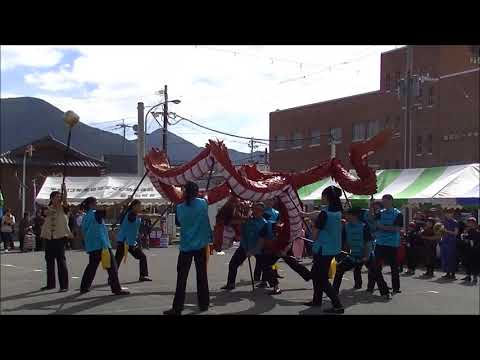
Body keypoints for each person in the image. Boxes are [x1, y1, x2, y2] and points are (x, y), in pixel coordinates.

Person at [164, 182, 213, 315]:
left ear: (185, 192)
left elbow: (179, 223)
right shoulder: (203, 203)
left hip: (186, 246)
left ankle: (177, 308)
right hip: (201, 245)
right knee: (202, 276)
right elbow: (206, 201)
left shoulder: (179, 208)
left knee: (181, 278)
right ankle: (204, 304)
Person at [221, 202, 280, 294]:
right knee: (233, 264)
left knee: (267, 267)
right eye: (255, 209)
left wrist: (252, 251)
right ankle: (230, 283)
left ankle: (275, 286)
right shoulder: (247, 220)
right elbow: (234, 223)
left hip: (258, 249)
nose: (256, 211)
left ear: (262, 212)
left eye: (259, 210)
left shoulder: (265, 224)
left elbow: (262, 242)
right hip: (244, 246)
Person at [303, 186, 344, 313]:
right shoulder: (337, 212)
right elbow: (318, 214)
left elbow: (314, 235)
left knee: (321, 278)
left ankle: (337, 305)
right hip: (332, 248)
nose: (321, 198)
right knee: (316, 275)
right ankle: (317, 300)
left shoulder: (325, 214)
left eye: (322, 195)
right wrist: (307, 216)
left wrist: (310, 224)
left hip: (323, 249)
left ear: (327, 197)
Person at [79, 197, 130, 295]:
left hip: (93, 245)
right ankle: (116, 289)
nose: (97, 204)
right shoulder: (95, 213)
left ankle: (84, 287)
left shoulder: (86, 216)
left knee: (92, 267)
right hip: (101, 245)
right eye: (96, 203)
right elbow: (111, 208)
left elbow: (83, 231)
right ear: (91, 205)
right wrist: (125, 202)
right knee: (112, 268)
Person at [370, 194, 403, 300]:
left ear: (391, 201)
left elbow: (396, 229)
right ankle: (383, 289)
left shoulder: (398, 214)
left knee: (394, 267)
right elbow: (373, 221)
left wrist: (382, 227)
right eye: (383, 201)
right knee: (375, 266)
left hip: (392, 243)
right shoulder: (380, 213)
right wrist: (371, 208)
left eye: (386, 201)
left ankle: (396, 287)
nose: (384, 203)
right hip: (380, 242)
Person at [39, 187, 72, 292]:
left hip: (60, 237)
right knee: (49, 261)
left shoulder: (63, 208)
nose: (59, 198)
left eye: (60, 197)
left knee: (61, 261)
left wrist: (65, 192)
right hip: (49, 237)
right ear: (52, 198)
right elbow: (46, 213)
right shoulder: (47, 208)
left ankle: (64, 285)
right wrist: (56, 205)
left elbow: (65, 204)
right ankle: (50, 284)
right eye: (57, 197)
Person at [332, 207, 373, 292]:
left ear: (354, 216)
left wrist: (366, 256)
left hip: (366, 253)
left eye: (347, 215)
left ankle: (382, 291)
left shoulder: (364, 226)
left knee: (374, 271)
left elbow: (368, 243)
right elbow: (345, 241)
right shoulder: (346, 226)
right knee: (340, 268)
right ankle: (333, 291)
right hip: (353, 255)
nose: (345, 216)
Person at [113, 199, 152, 282]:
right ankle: (111, 278)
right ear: (133, 206)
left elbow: (138, 228)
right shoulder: (130, 213)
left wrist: (147, 229)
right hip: (124, 241)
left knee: (142, 257)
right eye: (139, 206)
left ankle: (143, 275)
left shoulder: (136, 215)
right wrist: (143, 216)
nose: (140, 207)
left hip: (131, 242)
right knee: (117, 261)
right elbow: (132, 218)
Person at [440, 208, 459, 280]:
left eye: (449, 213)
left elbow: (456, 233)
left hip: (451, 242)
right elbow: (441, 231)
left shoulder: (455, 222)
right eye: (446, 213)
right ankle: (447, 273)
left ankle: (453, 274)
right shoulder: (444, 222)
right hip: (445, 241)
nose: (447, 214)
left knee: (451, 257)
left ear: (452, 214)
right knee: (445, 257)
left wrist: (447, 231)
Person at [460, 217, 480, 283]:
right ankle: (468, 276)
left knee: (474, 264)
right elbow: (463, 237)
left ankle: (475, 277)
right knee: (467, 263)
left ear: (474, 223)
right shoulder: (467, 230)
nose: (469, 223)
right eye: (468, 222)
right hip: (467, 249)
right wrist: (464, 234)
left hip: (475, 250)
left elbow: (475, 240)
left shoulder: (477, 230)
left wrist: (468, 240)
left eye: (471, 222)